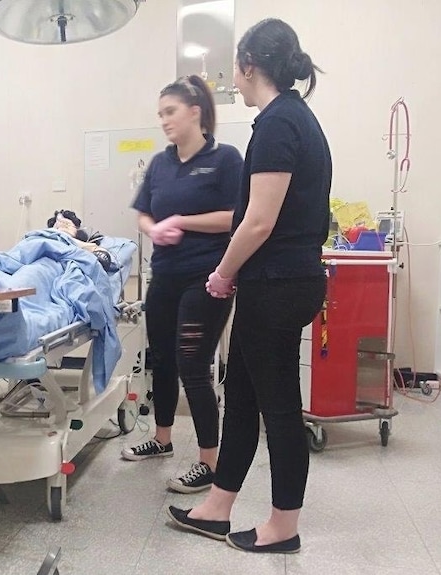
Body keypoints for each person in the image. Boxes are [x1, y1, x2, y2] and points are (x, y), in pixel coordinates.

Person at [166, 18, 331, 554]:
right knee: (240, 392)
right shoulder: (288, 119)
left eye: (235, 69)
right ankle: (218, 506)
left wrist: (223, 272)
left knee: (278, 405)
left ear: (248, 66)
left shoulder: (281, 122)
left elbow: (258, 221)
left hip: (278, 282)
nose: (232, 79)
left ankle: (284, 525)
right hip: (278, 279)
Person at [122, 74, 243, 494]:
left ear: (195, 112)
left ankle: (209, 461)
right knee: (164, 362)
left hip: (206, 278)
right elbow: (142, 213)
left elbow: (236, 217)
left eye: (170, 112)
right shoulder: (160, 163)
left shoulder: (226, 159)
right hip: (165, 277)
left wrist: (182, 222)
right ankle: (161, 439)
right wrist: (153, 228)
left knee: (194, 366)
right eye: (160, 114)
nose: (163, 121)